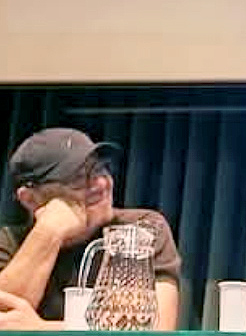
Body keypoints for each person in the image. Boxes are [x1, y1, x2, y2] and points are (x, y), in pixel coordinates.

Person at [0, 128, 181, 329]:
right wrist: (49, 232)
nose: (101, 184)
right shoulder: (9, 243)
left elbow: (149, 328)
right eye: (77, 178)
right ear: (30, 198)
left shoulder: (140, 230)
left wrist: (41, 329)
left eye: (101, 169)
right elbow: (3, 318)